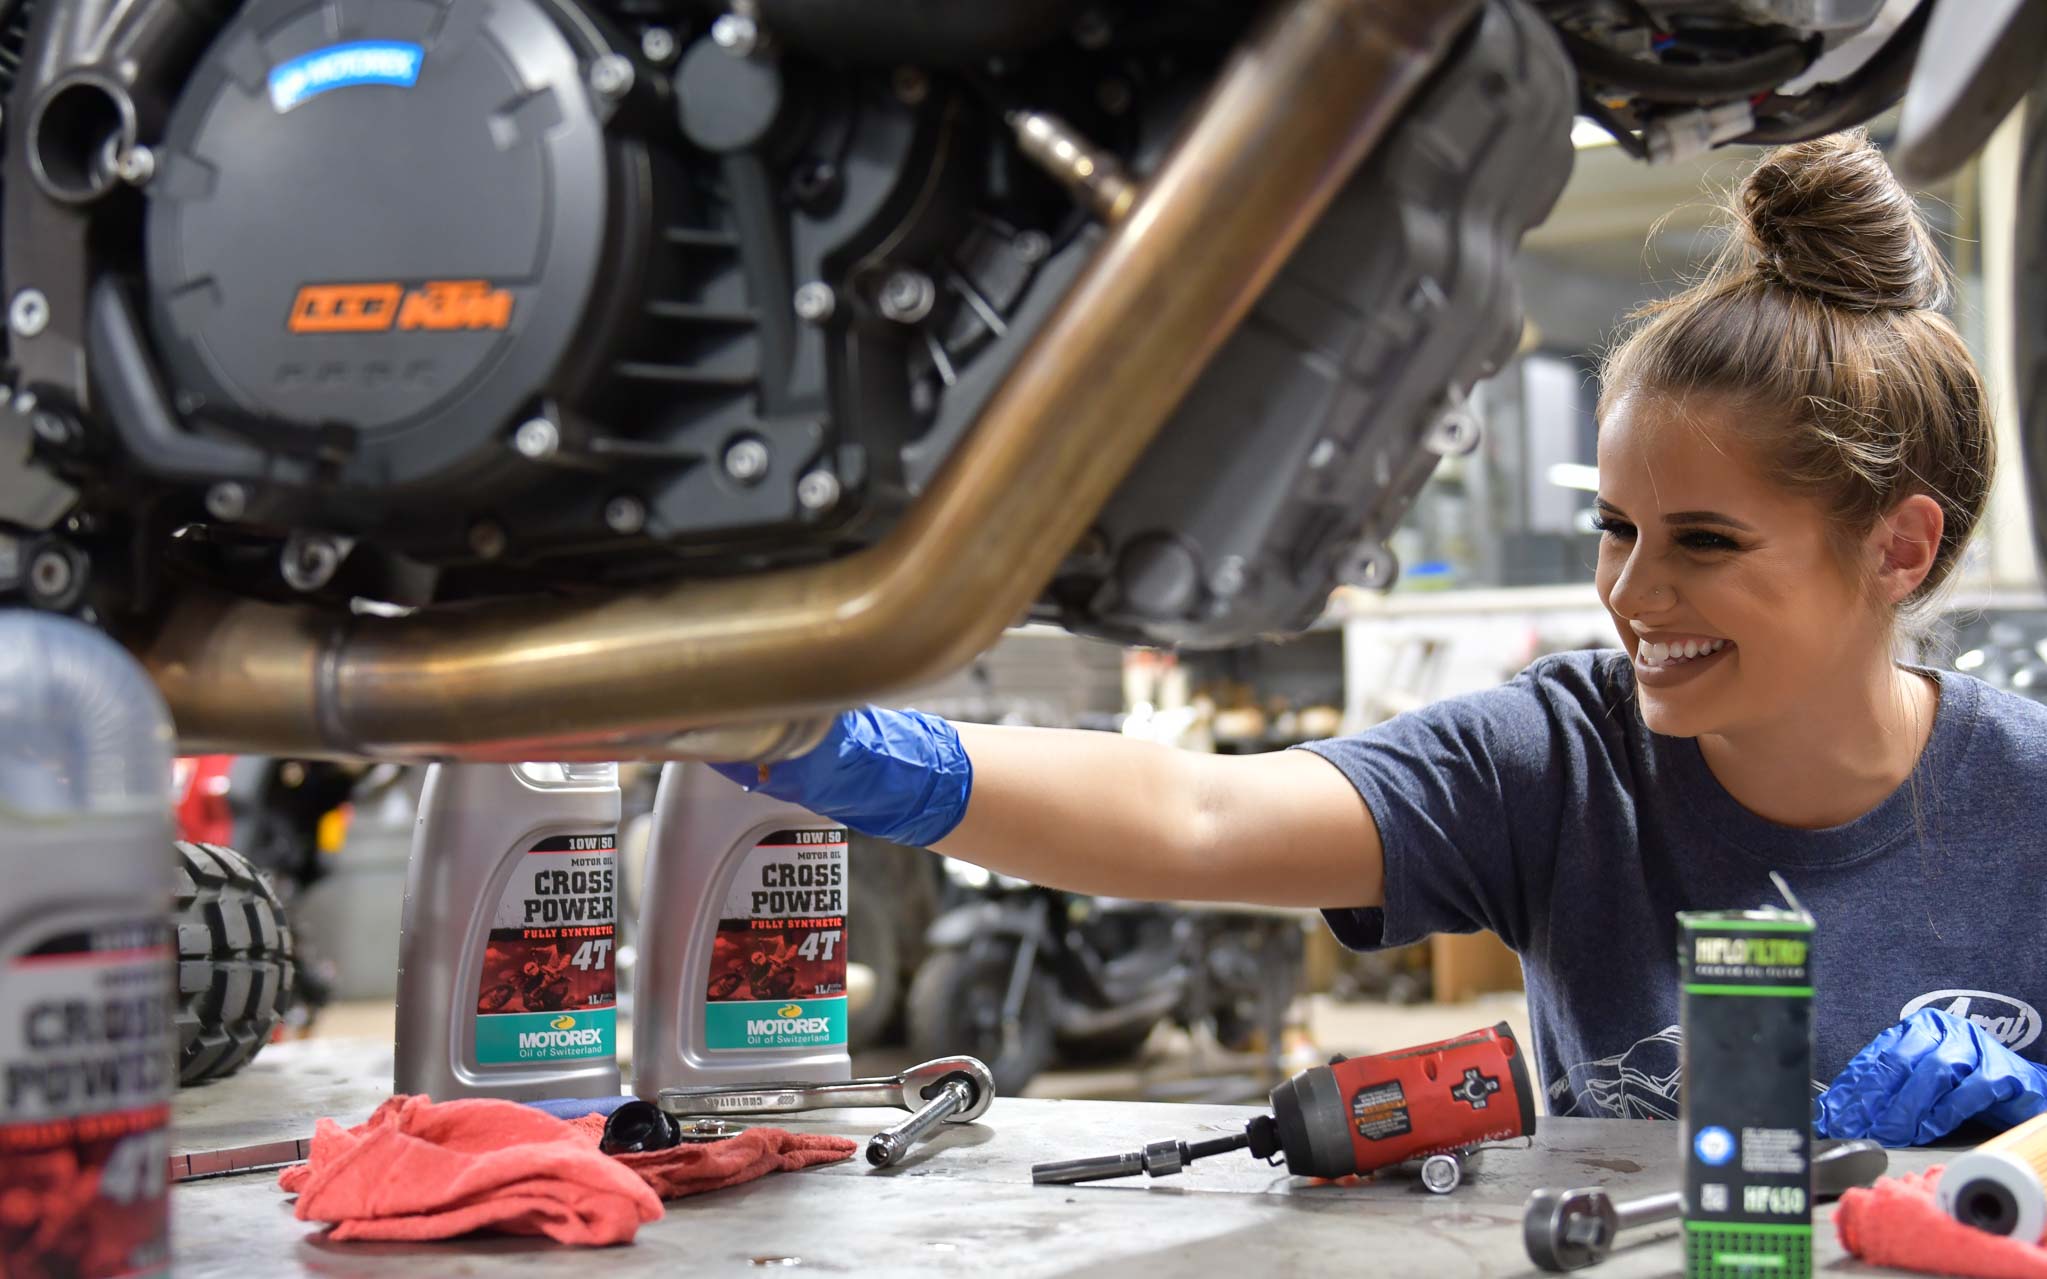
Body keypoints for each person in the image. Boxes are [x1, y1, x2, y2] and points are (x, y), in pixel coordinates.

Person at [714, 131, 2047, 1144]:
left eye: (1706, 542)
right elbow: (1197, 815)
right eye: (1618, 528)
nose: (1633, 595)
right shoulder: (1567, 758)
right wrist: (842, 749)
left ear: (1900, 547)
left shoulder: (2030, 804)